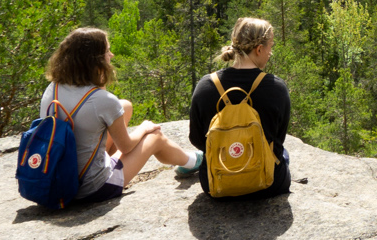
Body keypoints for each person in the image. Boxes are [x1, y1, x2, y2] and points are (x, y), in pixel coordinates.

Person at [40, 26, 194, 204]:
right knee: (156, 137)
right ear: (95, 61)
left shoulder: (53, 89)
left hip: (58, 177)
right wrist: (144, 128)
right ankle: (194, 161)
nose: (111, 55)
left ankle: (111, 164)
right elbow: (127, 146)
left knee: (125, 106)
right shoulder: (103, 101)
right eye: (107, 51)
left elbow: (96, 109)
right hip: (91, 188)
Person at [182, 16, 292, 199]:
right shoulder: (276, 87)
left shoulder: (205, 86)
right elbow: (278, 138)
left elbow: (197, 139)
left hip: (215, 183)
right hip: (268, 185)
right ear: (259, 49)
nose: (270, 53)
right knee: (283, 153)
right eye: (270, 46)